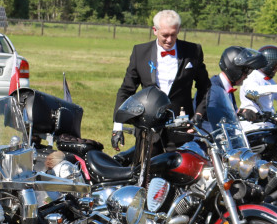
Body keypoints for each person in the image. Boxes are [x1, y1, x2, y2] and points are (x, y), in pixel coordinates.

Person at [114, 9, 211, 149]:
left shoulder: (193, 51)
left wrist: (199, 114)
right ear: (155, 30)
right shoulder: (140, 52)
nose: (169, 40)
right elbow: (126, 90)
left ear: (179, 30)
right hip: (148, 129)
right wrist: (118, 126)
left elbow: (205, 86)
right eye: (165, 35)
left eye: (173, 35)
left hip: (181, 130)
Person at [198, 46, 267, 128]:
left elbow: (227, 111)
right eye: (246, 71)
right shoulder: (215, 89)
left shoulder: (224, 86)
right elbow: (216, 119)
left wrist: (242, 111)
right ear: (234, 69)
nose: (247, 76)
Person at [238, 45, 277, 127]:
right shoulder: (252, 76)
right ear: (269, 65)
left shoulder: (268, 80)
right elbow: (252, 92)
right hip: (252, 124)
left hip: (267, 122)